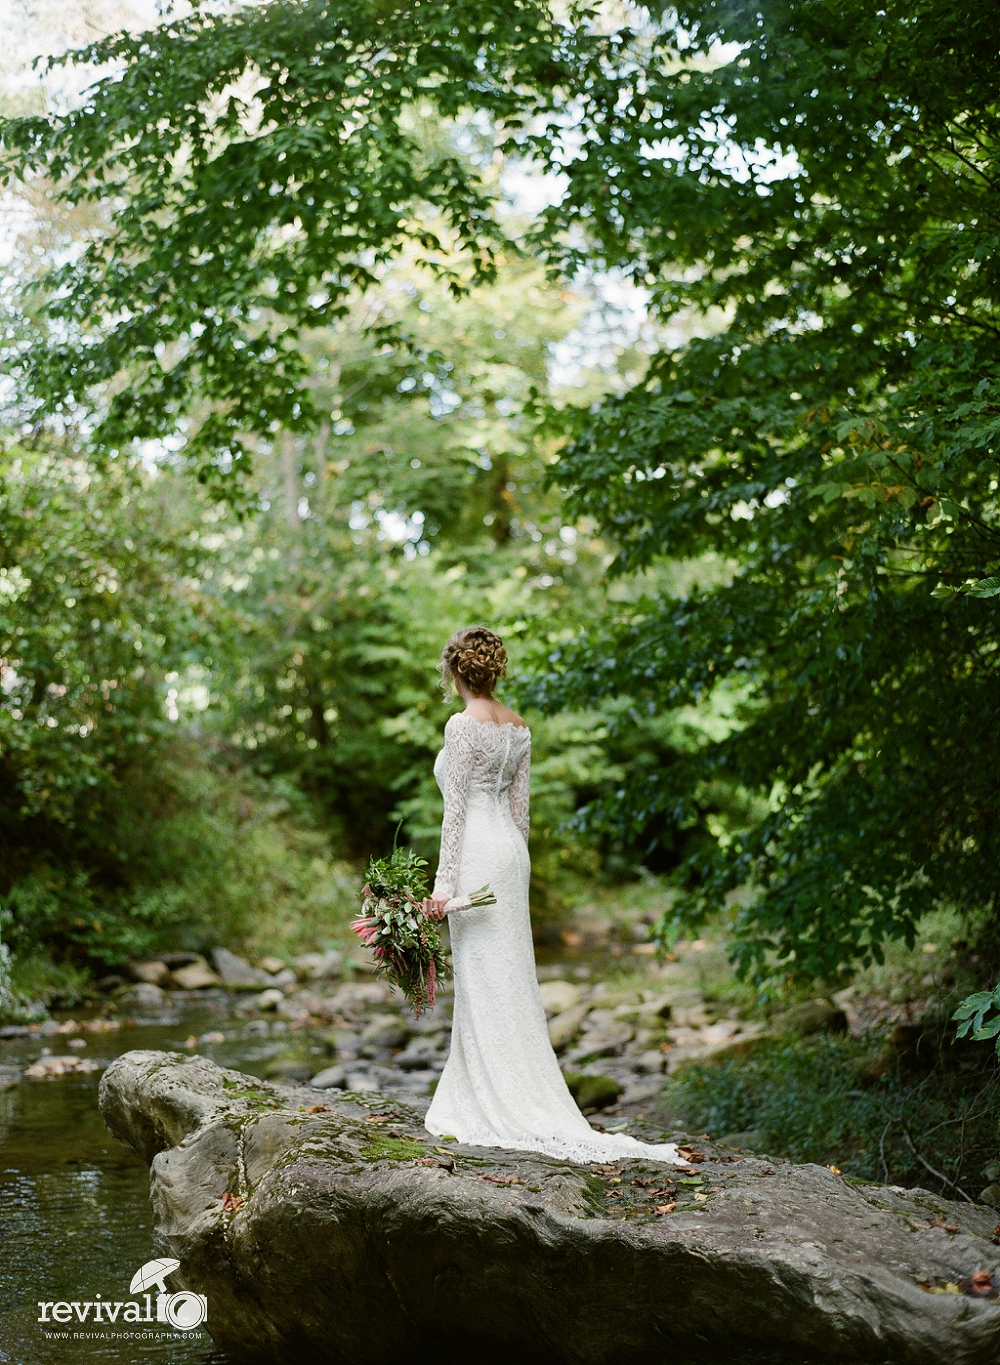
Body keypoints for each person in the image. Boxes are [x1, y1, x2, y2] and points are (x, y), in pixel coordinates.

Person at [422, 625, 678, 1166]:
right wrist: (517, 868)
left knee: (483, 971)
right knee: (508, 970)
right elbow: (521, 814)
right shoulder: (518, 728)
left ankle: (494, 1099)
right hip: (511, 854)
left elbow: (456, 811)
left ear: (454, 672)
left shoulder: (460, 725)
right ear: (494, 670)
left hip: (475, 852)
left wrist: (443, 886)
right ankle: (485, 1086)